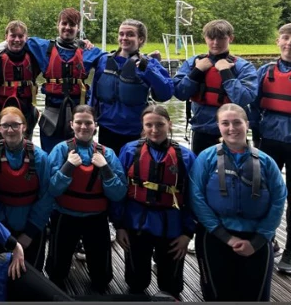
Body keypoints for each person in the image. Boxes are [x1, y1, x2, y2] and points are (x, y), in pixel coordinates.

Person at [189, 103, 286, 302]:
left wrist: (259, 240)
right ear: (218, 126)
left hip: (256, 238)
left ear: (247, 124)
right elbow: (196, 198)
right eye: (225, 123)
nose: (231, 128)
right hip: (215, 236)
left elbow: (278, 200)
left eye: (237, 123)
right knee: (216, 296)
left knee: (256, 297)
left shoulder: (267, 161)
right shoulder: (206, 158)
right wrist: (225, 236)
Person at [0, 8, 104, 153]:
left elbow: (112, 60)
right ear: (57, 25)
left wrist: (138, 60)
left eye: (72, 25)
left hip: (77, 111)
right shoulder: (42, 47)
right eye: (64, 23)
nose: (67, 28)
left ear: (78, 28)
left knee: (79, 154)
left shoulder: (89, 51)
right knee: (50, 155)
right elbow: (13, 42)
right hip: (52, 110)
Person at [111, 105, 197, 299]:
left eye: (160, 124)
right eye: (149, 125)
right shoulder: (129, 150)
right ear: (142, 127)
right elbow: (119, 192)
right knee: (136, 282)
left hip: (172, 226)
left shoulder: (186, 157)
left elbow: (193, 198)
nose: (154, 130)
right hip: (136, 223)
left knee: (171, 286)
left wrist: (187, 233)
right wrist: (120, 226)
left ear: (169, 124)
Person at [47, 105, 127, 292]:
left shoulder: (107, 154)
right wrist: (67, 167)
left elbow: (119, 193)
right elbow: (51, 189)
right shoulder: (60, 150)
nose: (84, 127)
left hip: (96, 217)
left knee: (102, 279)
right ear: (71, 124)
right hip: (65, 215)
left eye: (88, 123)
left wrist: (106, 169)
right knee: (56, 274)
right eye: (79, 123)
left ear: (95, 125)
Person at [0, 107, 52, 269]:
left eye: (15, 125)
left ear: (24, 127)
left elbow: (46, 197)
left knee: (32, 272)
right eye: (5, 125)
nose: (10, 130)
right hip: (0, 225)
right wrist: (3, 230)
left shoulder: (41, 158)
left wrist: (30, 232)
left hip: (31, 226)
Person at [173, 19, 258, 156]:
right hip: (201, 130)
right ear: (205, 38)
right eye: (211, 38)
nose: (215, 43)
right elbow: (179, 93)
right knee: (202, 173)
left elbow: (244, 98)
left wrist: (226, 73)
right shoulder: (193, 63)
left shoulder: (243, 67)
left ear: (230, 38)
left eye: (221, 38)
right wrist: (197, 72)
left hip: (233, 132)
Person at [90, 19, 174, 155]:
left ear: (140, 39)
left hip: (135, 131)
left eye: (130, 34)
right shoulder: (104, 60)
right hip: (107, 129)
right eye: (121, 34)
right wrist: (91, 118)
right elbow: (94, 94)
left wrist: (148, 69)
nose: (124, 38)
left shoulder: (149, 64)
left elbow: (166, 93)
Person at [250, 23, 291, 272]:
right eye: (285, 38)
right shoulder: (265, 71)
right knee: (263, 192)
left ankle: (290, 253)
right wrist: (255, 137)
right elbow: (253, 106)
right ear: (278, 41)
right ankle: (267, 240)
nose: (289, 44)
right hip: (268, 141)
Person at [0, 21, 41, 143]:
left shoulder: (34, 58)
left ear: (26, 38)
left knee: (25, 152)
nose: (17, 40)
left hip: (26, 114)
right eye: (13, 36)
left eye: (20, 36)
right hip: (1, 114)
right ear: (6, 37)